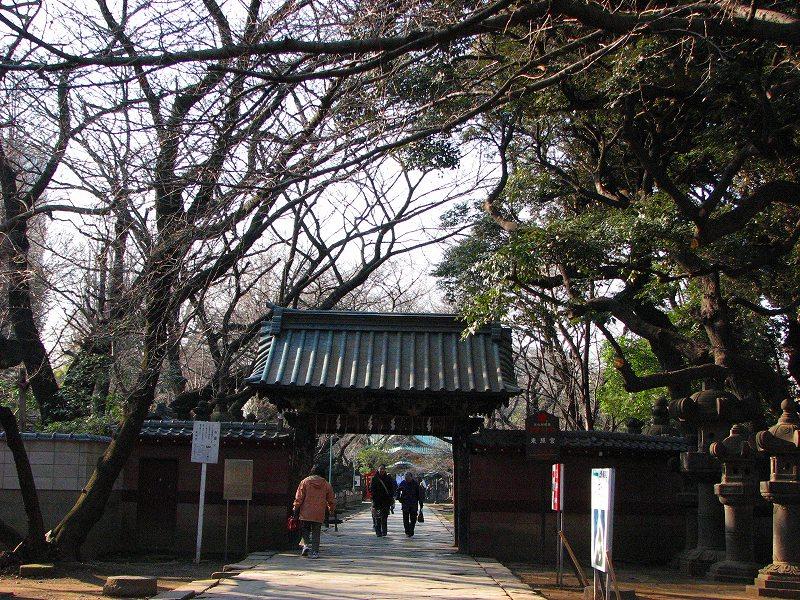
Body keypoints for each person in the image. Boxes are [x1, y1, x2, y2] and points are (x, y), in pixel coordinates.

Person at [292, 465, 335, 559]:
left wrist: (295, 507)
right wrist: (331, 509)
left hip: (305, 511)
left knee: (305, 530)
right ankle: (315, 552)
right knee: (316, 532)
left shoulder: (305, 482)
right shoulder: (326, 484)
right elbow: (331, 499)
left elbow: (299, 497)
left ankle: (306, 545)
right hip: (319, 512)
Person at [369, 464, 395, 537]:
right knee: (377, 517)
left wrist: (390, 497)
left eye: (383, 469)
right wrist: (373, 499)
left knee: (384, 517)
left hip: (386, 501)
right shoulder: (374, 478)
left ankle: (384, 531)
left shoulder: (388, 478)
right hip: (377, 501)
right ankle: (378, 532)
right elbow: (371, 489)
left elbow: (392, 489)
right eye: (381, 469)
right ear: (378, 469)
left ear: (385, 470)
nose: (382, 470)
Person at [396, 471, 422, 537]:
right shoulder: (403, 483)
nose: (407, 479)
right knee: (405, 518)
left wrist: (420, 502)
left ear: (411, 477)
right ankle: (407, 530)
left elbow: (419, 494)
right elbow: (398, 491)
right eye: (406, 478)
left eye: (408, 478)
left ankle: (411, 529)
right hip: (405, 503)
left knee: (413, 519)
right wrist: (399, 498)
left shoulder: (415, 484)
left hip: (413, 503)